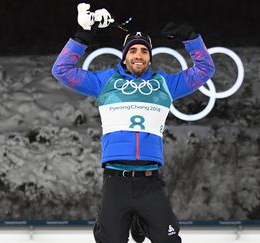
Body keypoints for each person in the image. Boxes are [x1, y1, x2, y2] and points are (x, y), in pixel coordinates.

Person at [51, 4, 215, 243]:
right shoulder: (106, 81)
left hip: (150, 182)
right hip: (115, 182)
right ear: (125, 56)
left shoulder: (164, 84)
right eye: (133, 51)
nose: (138, 55)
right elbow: (61, 70)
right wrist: (83, 35)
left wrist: (192, 39)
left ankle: (142, 221)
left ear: (149, 58)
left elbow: (205, 69)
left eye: (144, 51)